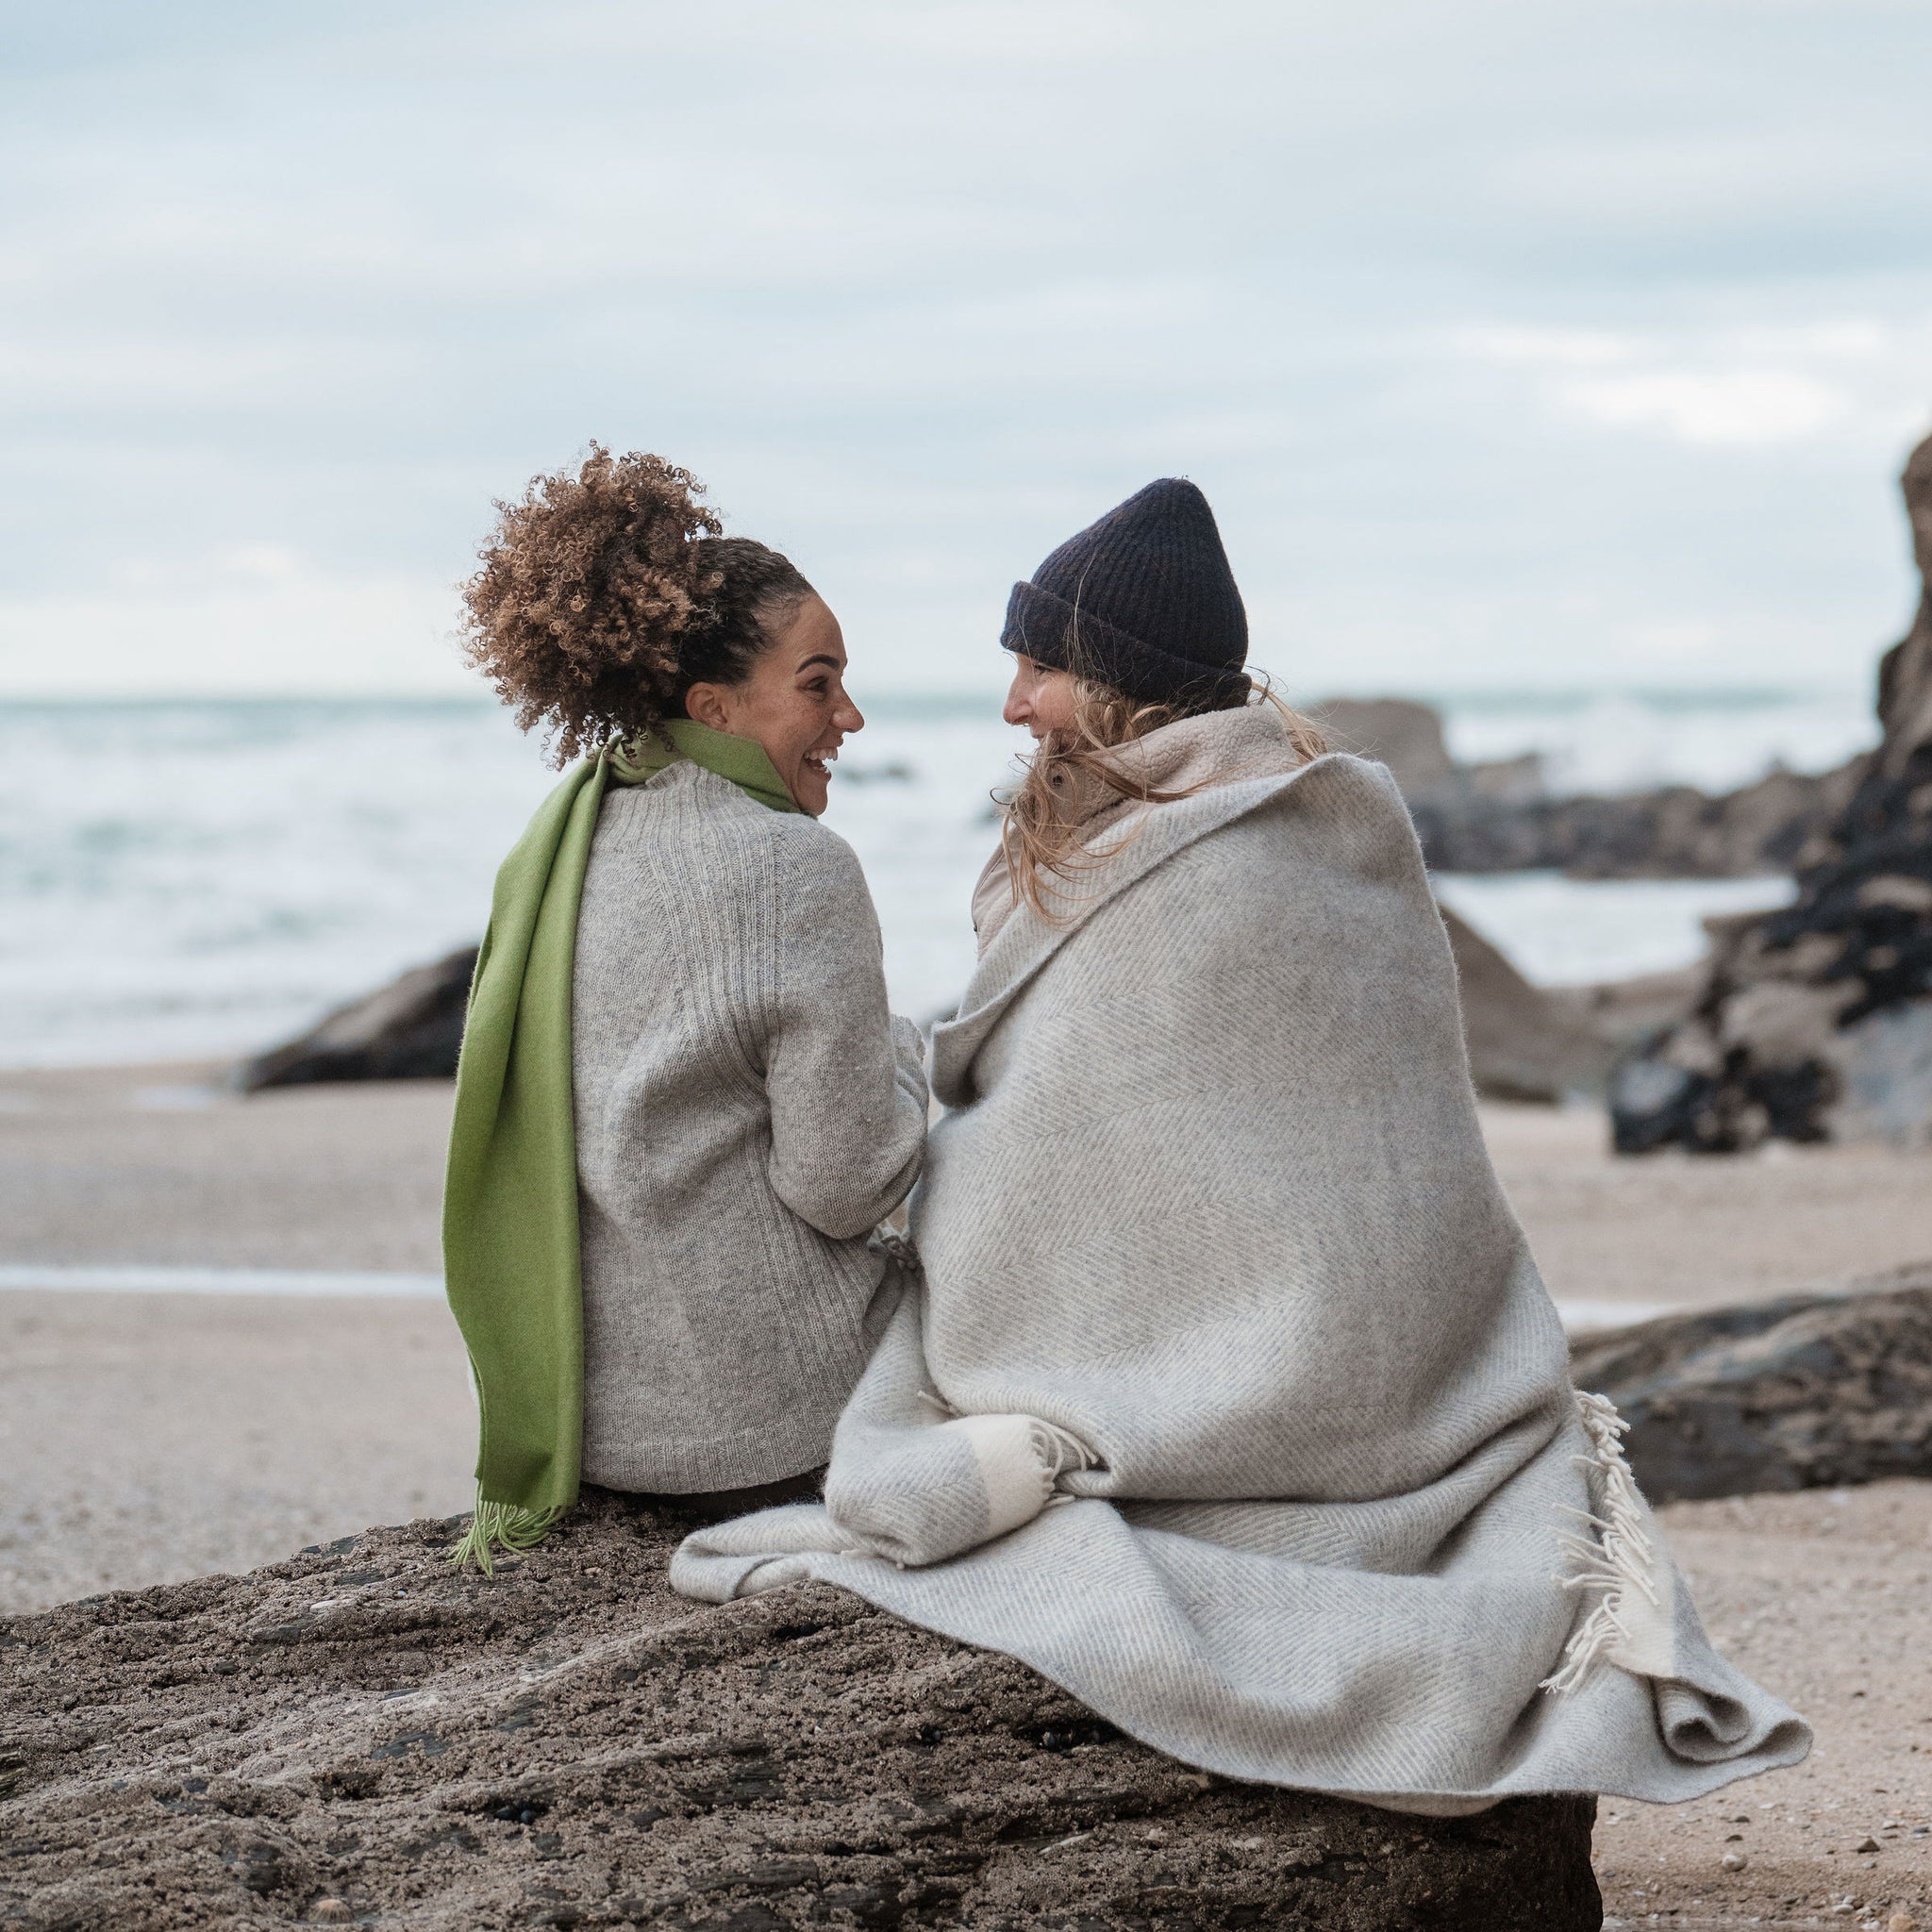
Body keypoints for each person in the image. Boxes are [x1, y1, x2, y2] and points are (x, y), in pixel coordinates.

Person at [673, 477, 1809, 1811]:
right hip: (1413, 1378)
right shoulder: (1325, 819)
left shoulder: (1207, 866)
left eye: (1040, 668)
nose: (1014, 704)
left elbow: (1072, 1160)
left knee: (936, 1319)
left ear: (1117, 682)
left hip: (1307, 1378)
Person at [443, 447, 927, 1570]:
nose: (849, 715)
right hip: (774, 1425)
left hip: (608, 1430)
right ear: (714, 705)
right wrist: (909, 1055)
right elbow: (845, 1184)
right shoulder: (792, 866)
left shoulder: (568, 840)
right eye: (816, 684)